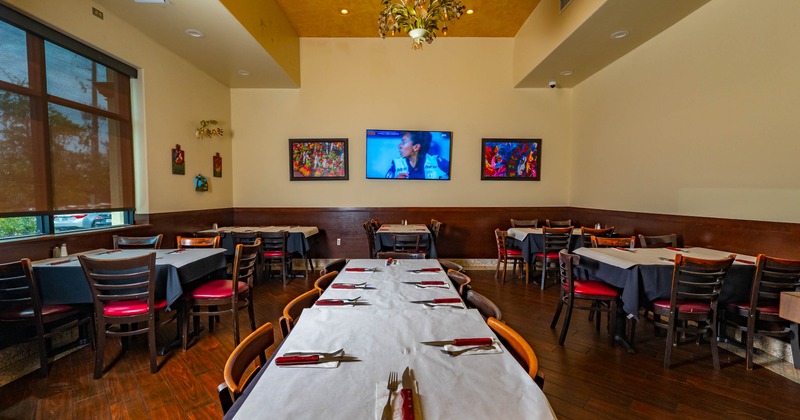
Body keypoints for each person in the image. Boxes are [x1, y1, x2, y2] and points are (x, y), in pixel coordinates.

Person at [385, 131, 449, 179]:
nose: (399, 146)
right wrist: (396, 181)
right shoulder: (396, 164)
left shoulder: (437, 162)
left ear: (416, 147)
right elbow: (385, 188)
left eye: (404, 142)